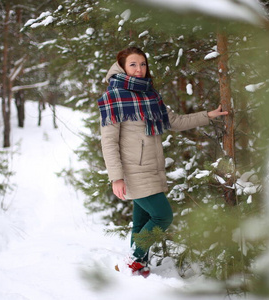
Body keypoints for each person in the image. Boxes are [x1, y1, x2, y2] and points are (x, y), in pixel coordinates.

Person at [97, 46, 228, 276]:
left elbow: (174, 121)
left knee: (142, 221)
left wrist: (208, 116)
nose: (139, 69)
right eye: (133, 64)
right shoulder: (114, 97)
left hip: (152, 168)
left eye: (143, 64)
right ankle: (132, 260)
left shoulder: (150, 94)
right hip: (133, 171)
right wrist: (116, 177)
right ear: (122, 67)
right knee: (163, 216)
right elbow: (108, 142)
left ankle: (138, 268)